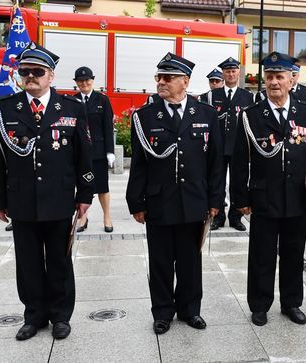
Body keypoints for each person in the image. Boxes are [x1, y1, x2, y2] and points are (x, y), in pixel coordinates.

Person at [0, 42, 93, 340]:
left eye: (37, 71)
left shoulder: (71, 108)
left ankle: (61, 316)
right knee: (28, 262)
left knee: (60, 260)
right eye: (25, 72)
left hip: (60, 199)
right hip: (22, 199)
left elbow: (83, 155)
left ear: (51, 76)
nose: (30, 76)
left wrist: (85, 195)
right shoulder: (4, 109)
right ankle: (34, 315)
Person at [126, 52, 224, 335]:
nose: (161, 82)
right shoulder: (145, 116)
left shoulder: (205, 114)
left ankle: (190, 309)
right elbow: (139, 165)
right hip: (159, 201)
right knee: (160, 261)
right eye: (159, 77)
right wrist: (136, 201)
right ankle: (162, 312)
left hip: (194, 200)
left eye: (168, 77)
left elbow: (215, 162)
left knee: (190, 260)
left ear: (185, 81)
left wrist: (216, 199)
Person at [231, 51, 306, 327]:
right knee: (262, 254)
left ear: (291, 80)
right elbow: (238, 161)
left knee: (294, 253)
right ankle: (259, 305)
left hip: (296, 197)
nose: (273, 82)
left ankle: (291, 302)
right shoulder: (251, 115)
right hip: (264, 196)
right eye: (269, 77)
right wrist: (240, 198)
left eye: (279, 77)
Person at [208, 57, 253, 231]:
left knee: (238, 182)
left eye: (233, 71)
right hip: (218, 146)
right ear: (223, 74)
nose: (231, 74)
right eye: (227, 71)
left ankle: (236, 217)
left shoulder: (248, 96)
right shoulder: (213, 95)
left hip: (238, 147)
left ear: (238, 72)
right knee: (217, 182)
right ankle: (217, 217)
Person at [74, 66, 115, 233]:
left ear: (92, 81)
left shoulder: (102, 100)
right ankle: (83, 217)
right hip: (80, 152)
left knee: (102, 187)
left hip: (98, 151)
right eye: (80, 81)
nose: (84, 83)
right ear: (76, 83)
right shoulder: (73, 100)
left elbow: (107, 126)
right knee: (82, 186)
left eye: (87, 80)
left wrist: (110, 152)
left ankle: (107, 217)